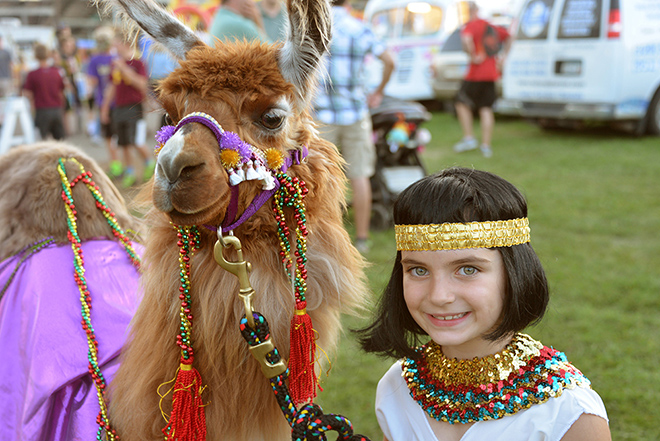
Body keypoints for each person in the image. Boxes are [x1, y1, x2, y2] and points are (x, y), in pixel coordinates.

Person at [357, 167, 611, 441]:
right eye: (419, 270)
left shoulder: (567, 413)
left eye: (467, 269)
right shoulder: (398, 387)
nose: (439, 296)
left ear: (515, 272)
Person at [313, 0, 395, 254]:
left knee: (320, 178)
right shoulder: (360, 28)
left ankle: (322, 236)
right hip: (355, 113)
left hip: (321, 115)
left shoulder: (316, 28)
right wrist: (378, 92)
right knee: (360, 176)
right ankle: (361, 237)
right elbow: (390, 61)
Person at [453, 2, 511, 158]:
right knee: (486, 108)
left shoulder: (471, 25)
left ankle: (469, 137)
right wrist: (503, 58)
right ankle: (486, 146)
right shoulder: (490, 26)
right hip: (491, 74)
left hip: (475, 74)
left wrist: (472, 55)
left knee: (461, 102)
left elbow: (466, 40)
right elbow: (510, 36)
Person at [100, 31, 154, 187]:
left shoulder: (138, 63)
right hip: (119, 108)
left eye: (116, 43)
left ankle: (149, 163)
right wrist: (105, 108)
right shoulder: (115, 63)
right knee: (123, 142)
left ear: (125, 44)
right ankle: (130, 171)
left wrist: (123, 68)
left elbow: (141, 84)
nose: (114, 46)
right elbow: (112, 87)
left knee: (136, 141)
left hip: (134, 108)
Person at [87, 26, 121, 177]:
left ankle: (115, 165)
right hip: (119, 102)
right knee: (120, 136)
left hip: (104, 103)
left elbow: (92, 82)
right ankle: (124, 165)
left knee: (109, 136)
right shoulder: (116, 58)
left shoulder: (94, 60)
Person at [22, 43, 66, 141]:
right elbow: (61, 92)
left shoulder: (32, 74)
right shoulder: (57, 72)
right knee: (60, 142)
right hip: (56, 109)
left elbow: (27, 93)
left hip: (42, 110)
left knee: (42, 141)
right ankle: (59, 157)